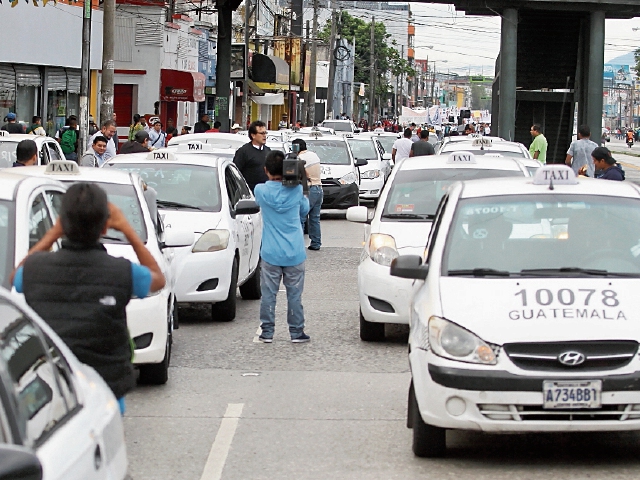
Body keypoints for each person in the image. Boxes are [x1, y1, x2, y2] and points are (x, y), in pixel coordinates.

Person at [12, 183, 165, 414]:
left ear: (62, 222)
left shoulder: (36, 269)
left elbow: (16, 277)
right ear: (105, 226)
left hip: (54, 389)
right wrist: (128, 231)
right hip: (107, 392)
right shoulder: (121, 272)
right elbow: (157, 280)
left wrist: (52, 234)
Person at [254, 150, 310, 343]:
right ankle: (296, 332)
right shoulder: (295, 191)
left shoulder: (260, 190)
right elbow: (304, 210)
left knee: (268, 295)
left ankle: (267, 332)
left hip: (270, 252)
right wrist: (302, 184)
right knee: (294, 294)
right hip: (294, 251)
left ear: (266, 170)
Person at [292, 138, 323, 251]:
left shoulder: (300, 158)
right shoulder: (314, 155)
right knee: (315, 218)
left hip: (308, 189)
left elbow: (302, 173)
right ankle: (316, 243)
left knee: (301, 217)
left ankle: (298, 244)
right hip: (319, 188)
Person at [232, 120, 271, 192]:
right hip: (249, 193)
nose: (264, 135)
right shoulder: (243, 151)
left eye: (265, 133)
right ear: (253, 135)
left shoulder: (268, 151)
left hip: (266, 193)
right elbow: (235, 174)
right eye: (262, 133)